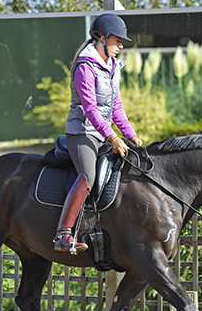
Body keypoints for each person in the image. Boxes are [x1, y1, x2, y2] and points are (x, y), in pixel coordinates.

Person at [53, 13, 142, 254]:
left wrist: (131, 136)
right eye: (117, 41)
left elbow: (116, 108)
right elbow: (90, 108)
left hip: (102, 133)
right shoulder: (85, 66)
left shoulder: (113, 67)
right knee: (88, 176)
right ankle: (63, 234)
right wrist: (112, 137)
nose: (121, 46)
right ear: (101, 38)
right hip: (81, 133)